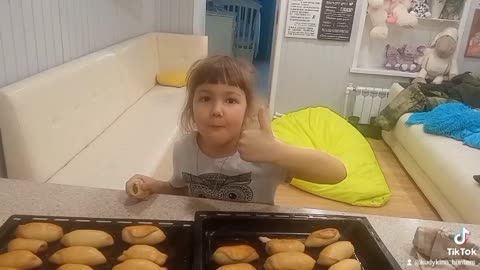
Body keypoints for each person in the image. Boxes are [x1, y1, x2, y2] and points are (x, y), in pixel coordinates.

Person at [125, 55, 346, 204]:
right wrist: (154, 186)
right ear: (191, 108)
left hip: (256, 239)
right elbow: (183, 190)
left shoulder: (262, 152)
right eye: (205, 98)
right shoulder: (183, 148)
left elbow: (336, 173)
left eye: (230, 100)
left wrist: (276, 152)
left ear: (248, 110)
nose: (217, 110)